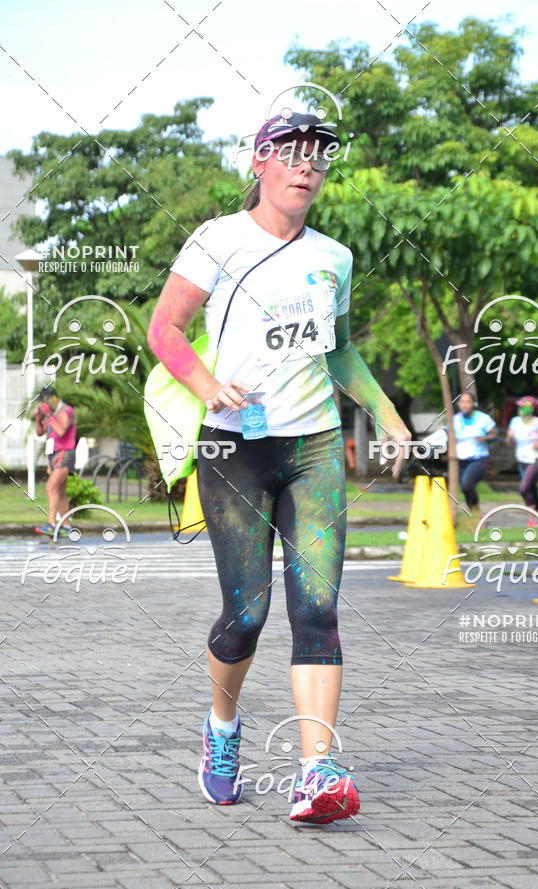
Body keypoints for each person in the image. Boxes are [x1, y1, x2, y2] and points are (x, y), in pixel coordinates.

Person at [147, 111, 411, 823]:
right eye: (292, 155)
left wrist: (386, 414)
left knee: (318, 609)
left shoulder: (335, 257)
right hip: (234, 447)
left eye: (319, 157)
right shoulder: (218, 239)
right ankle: (223, 730)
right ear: (260, 162)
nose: (307, 167)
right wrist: (206, 387)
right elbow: (164, 328)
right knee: (246, 614)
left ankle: (315, 773)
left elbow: (340, 350)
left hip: (315, 446)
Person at [33, 386, 76, 537]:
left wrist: (49, 415)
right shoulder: (52, 413)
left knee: (51, 486)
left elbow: (61, 430)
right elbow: (40, 432)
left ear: (53, 398)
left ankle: (51, 524)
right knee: (60, 492)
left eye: (45, 401)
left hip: (65, 454)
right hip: (53, 456)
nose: (44, 404)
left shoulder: (66, 410)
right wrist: (39, 418)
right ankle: (66, 527)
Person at [506, 396, 538, 524]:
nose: (520, 409)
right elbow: (509, 443)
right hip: (522, 461)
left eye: (523, 406)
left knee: (524, 488)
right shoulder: (515, 422)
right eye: (520, 406)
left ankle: (531, 520)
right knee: (531, 489)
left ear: (531, 408)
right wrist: (510, 438)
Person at [452, 392, 497, 517]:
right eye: (462, 402)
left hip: (479, 458)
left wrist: (484, 438)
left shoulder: (483, 418)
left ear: (473, 404)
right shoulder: (455, 419)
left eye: (468, 402)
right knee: (465, 489)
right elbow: (449, 436)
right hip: (461, 459)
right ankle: (475, 515)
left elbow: (495, 434)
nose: (465, 405)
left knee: (467, 484)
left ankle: (478, 515)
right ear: (459, 404)